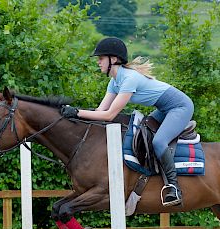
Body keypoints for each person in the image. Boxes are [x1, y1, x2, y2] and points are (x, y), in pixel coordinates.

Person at [61, 37, 194, 207]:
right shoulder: (114, 82)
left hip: (180, 107)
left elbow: (109, 116)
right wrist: (75, 113)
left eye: (101, 59)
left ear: (113, 59)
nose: (98, 63)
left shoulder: (129, 78)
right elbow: (100, 111)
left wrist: (77, 112)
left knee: (159, 141)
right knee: (145, 134)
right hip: (163, 109)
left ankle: (174, 188)